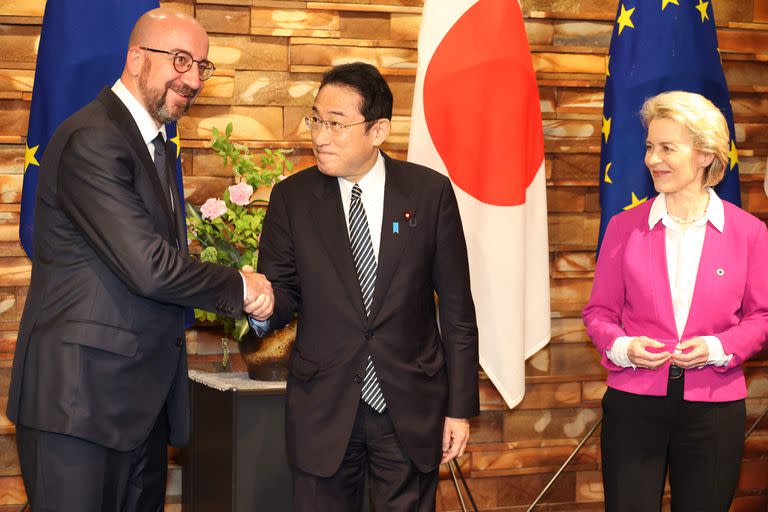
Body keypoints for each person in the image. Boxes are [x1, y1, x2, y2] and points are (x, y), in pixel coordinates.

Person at [7, 9, 273, 511]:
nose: (193, 78)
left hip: (136, 410)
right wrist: (243, 288)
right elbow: (149, 267)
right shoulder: (95, 138)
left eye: (202, 66)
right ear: (135, 59)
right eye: (180, 60)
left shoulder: (154, 147)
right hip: (79, 408)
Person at [252, 62, 479, 511]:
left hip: (410, 405)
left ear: (378, 131)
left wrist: (459, 408)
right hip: (324, 404)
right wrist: (260, 306)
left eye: (336, 125)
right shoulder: (292, 199)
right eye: (316, 119)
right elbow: (282, 292)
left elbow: (456, 310)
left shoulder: (429, 194)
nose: (319, 136)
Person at [583, 90, 768, 511]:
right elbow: (599, 312)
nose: (653, 159)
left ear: (705, 154)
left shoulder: (750, 233)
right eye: (650, 147)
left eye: (667, 148)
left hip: (715, 410)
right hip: (633, 405)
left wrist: (719, 348)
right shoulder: (623, 227)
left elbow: (762, 316)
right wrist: (623, 347)